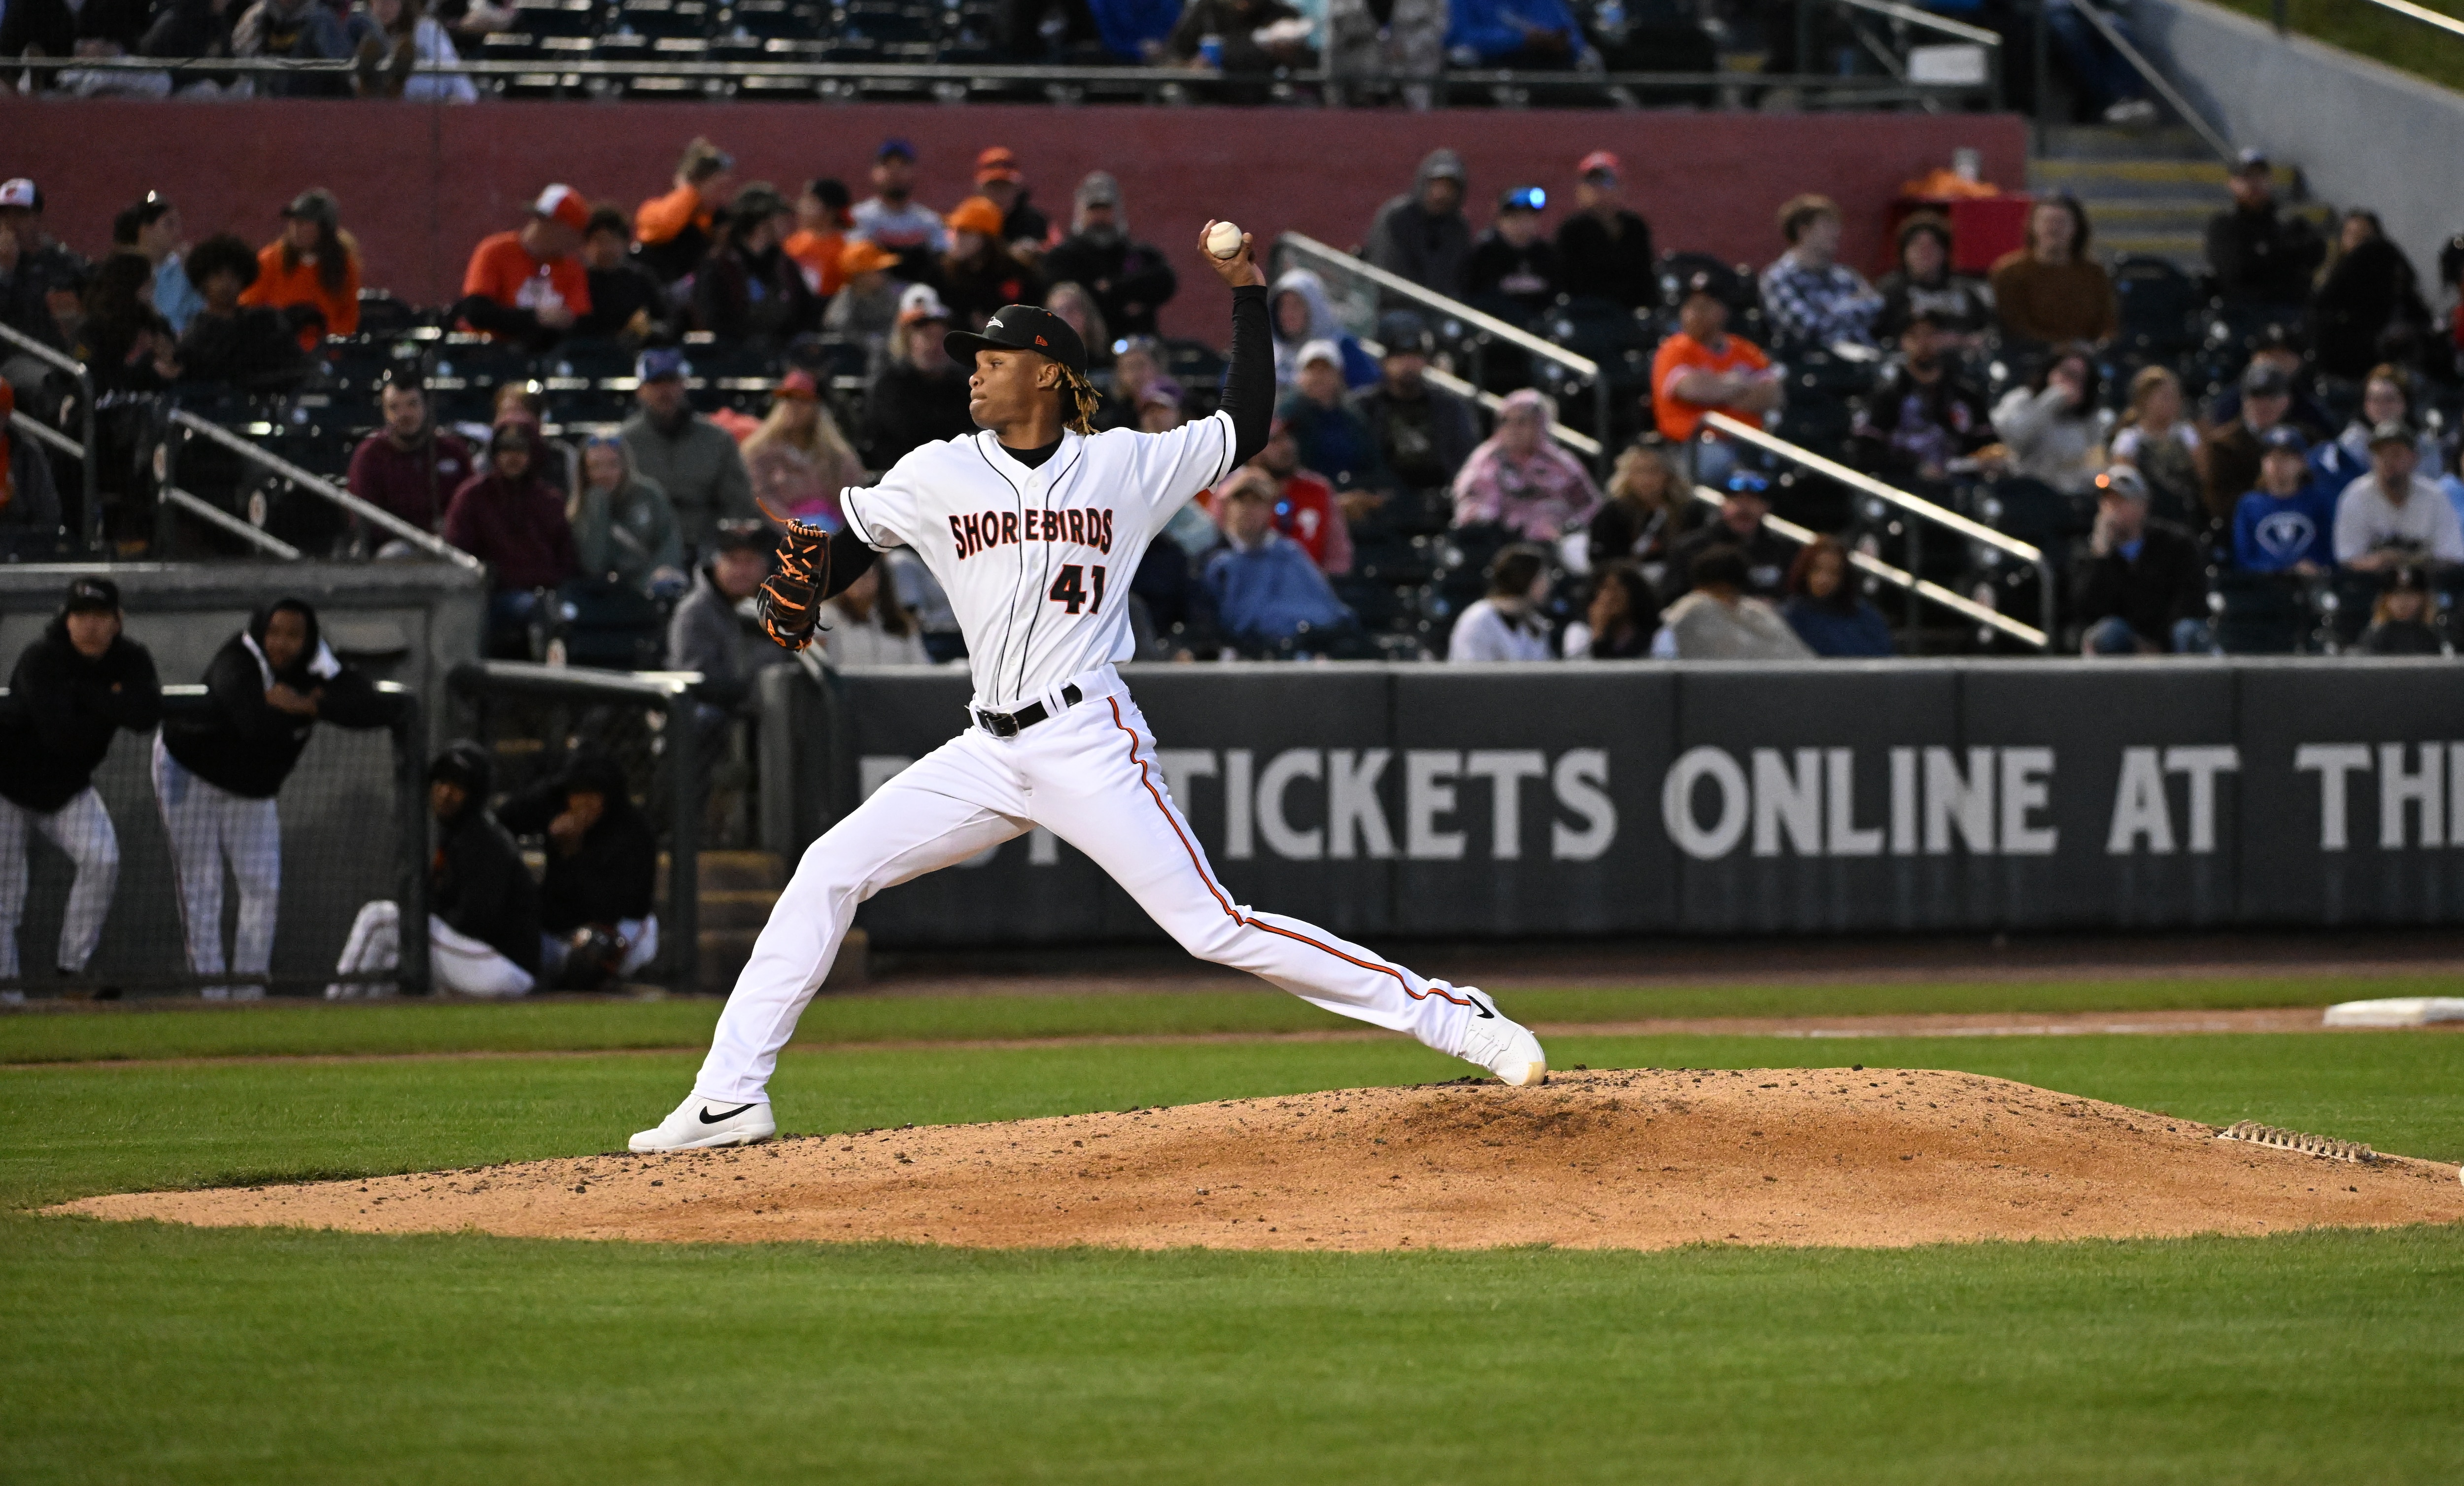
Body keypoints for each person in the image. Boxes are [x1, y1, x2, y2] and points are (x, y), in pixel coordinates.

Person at [627, 229, 1547, 1152]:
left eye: (993, 360)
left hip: (1087, 738)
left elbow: (1245, 425)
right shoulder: (938, 469)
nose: (975, 375)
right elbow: (846, 551)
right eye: (973, 362)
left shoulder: (1124, 466)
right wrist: (799, 583)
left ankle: (1452, 1015)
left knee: (1212, 926)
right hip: (987, 750)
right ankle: (729, 1096)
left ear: (1047, 372)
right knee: (829, 869)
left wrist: (1249, 298)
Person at [152, 598, 396, 999]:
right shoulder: (238, 658)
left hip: (250, 787)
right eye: (275, 632)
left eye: (294, 635)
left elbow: (367, 702)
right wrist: (318, 707)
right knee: (203, 886)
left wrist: (306, 703)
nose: (282, 643)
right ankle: (208, 996)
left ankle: (249, 994)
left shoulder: (318, 662)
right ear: (261, 631)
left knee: (262, 886)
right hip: (190, 773)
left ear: (308, 638)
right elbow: (255, 722)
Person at [0, 578, 160, 993]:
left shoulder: (130, 657)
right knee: (4, 897)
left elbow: (146, 715)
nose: (90, 626)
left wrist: (83, 694)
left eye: (100, 616)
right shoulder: (41, 657)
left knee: (102, 858)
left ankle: (73, 971)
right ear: (66, 620)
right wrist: (110, 698)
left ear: (117, 621)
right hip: (7, 785)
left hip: (67, 787)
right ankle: (8, 995)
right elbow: (62, 734)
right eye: (81, 616)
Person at [329, 742, 542, 999]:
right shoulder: (458, 836)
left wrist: (426, 931)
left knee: (380, 919)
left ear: (475, 794)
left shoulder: (485, 840)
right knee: (391, 961)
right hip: (478, 960)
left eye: (457, 786)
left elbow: (476, 920)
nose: (444, 793)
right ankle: (355, 1029)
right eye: (440, 783)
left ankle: (332, 1006)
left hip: (502, 967)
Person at [496, 751, 660, 989]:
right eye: (576, 793)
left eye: (593, 793)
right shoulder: (555, 806)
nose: (583, 802)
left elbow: (617, 907)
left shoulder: (634, 832)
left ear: (608, 796)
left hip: (621, 924)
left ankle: (600, 976)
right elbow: (503, 820)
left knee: (596, 949)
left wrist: (572, 854)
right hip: (565, 927)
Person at [445, 421, 580, 653]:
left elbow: (566, 558)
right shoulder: (472, 497)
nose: (512, 458)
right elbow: (456, 553)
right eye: (505, 450)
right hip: (491, 598)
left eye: (519, 450)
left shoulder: (550, 500)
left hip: (545, 593)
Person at [668, 520, 793, 755]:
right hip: (721, 726)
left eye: (750, 561)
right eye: (733, 561)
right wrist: (749, 692)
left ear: (766, 565)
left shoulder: (781, 608)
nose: (742, 571)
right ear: (716, 564)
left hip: (775, 717)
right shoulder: (694, 612)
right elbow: (696, 677)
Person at [621, 346, 756, 554]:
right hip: (644, 545)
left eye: (671, 381)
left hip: (706, 544)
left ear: (684, 385)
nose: (664, 391)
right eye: (656, 383)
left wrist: (726, 540)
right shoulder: (624, 442)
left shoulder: (717, 439)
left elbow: (738, 503)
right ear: (641, 390)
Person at [1205, 469, 1357, 646]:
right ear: (1228, 507)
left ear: (1270, 509)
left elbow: (1326, 609)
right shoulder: (1212, 560)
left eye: (1257, 502)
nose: (1248, 510)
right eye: (1241, 501)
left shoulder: (1289, 553)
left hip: (1301, 646)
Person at [1649, 273, 1782, 472]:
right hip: (1693, 446)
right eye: (1691, 307)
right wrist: (1740, 385)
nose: (1696, 314)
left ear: (1722, 311)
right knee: (1722, 463)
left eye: (1705, 307)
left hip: (1749, 442)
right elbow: (1692, 390)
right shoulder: (1674, 349)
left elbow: (1773, 396)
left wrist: (1716, 392)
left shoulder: (1745, 350)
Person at [2076, 467, 2208, 656]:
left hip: (2168, 639)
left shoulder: (2176, 544)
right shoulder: (2091, 553)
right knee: (2109, 633)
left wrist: (2158, 644)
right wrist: (2101, 556)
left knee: (2189, 631)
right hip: (2126, 640)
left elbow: (2190, 600)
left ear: (2142, 505)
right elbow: (2086, 610)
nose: (2112, 509)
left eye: (2120, 501)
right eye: (2107, 501)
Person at [1853, 311, 1994, 485]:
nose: (1924, 342)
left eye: (1931, 334)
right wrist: (1914, 468)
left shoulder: (1967, 395)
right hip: (1907, 489)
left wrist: (1989, 459)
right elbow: (1867, 452)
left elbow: (1987, 445)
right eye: (1914, 335)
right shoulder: (1888, 396)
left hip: (1961, 489)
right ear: (1903, 342)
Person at [1352, 310, 1479, 500]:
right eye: (1400, 357)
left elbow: (1465, 461)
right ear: (1384, 361)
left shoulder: (1449, 407)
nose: (1408, 365)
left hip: (1440, 501)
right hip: (1380, 504)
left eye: (1415, 356)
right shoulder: (1363, 407)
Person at [1450, 388, 1600, 542]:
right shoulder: (1486, 460)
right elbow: (1474, 505)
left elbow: (1590, 507)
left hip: (1559, 541)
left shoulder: (1561, 463)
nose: (1513, 429)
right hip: (1502, 542)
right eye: (1506, 421)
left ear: (1540, 424)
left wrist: (1568, 528)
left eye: (1522, 422)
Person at [1041, 172, 1176, 340]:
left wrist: (1112, 288)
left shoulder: (1139, 254)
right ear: (1080, 212)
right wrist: (1129, 296)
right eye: (1093, 209)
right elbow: (1068, 297)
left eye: (1106, 209)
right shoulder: (1062, 257)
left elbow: (1166, 280)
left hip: (1135, 349)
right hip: (1087, 350)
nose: (1100, 216)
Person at [456, 184, 591, 349]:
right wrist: (537, 318)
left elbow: (579, 319)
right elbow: (477, 312)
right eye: (574, 233)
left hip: (544, 359)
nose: (576, 243)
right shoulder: (495, 251)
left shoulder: (571, 268)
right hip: (488, 355)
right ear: (554, 225)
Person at [173, 232, 308, 391]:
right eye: (218, 276)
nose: (226, 284)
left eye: (233, 276)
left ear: (244, 281)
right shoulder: (195, 336)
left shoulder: (266, 323)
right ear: (203, 281)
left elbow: (297, 370)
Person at [348, 370, 474, 537]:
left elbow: (475, 506)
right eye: (394, 407)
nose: (404, 414)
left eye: (412, 404)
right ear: (385, 412)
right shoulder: (370, 455)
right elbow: (363, 517)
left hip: (452, 544)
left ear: (426, 406)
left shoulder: (453, 450)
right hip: (395, 546)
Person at [2310, 210, 2431, 383]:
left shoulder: (2390, 276)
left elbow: (2418, 314)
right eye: (2351, 234)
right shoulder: (2328, 279)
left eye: (2364, 237)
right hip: (2343, 361)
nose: (2358, 242)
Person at [693, 181, 819, 346]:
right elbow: (715, 320)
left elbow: (807, 314)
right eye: (780, 217)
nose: (787, 223)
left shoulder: (785, 265)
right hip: (733, 362)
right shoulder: (720, 267)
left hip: (782, 358)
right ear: (761, 222)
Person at [860, 292, 976, 469]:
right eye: (927, 337)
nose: (935, 346)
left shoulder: (964, 385)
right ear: (908, 341)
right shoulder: (890, 386)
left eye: (942, 338)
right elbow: (896, 439)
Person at [2333, 420, 2464, 572]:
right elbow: (2347, 559)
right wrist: (2381, 562)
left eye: (2396, 454)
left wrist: (2407, 562)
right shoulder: (2355, 495)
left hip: (2425, 587)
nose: (2388, 461)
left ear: (2414, 458)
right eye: (2381, 454)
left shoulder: (2435, 496)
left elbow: (2452, 557)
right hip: (2372, 585)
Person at [741, 369, 863, 530]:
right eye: (788, 399)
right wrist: (795, 529)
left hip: (831, 539)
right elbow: (759, 497)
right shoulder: (759, 453)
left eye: (803, 400)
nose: (794, 407)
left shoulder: (838, 457)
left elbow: (854, 498)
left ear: (817, 407)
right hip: (779, 539)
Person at [2205, 148, 2322, 319]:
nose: (2255, 183)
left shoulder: (2290, 223)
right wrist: (2284, 256)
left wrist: (2268, 255)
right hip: (2246, 314)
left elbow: (2315, 253)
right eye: (2247, 177)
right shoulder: (2224, 226)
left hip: (2291, 310)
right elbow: (2236, 271)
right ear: (2232, 183)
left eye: (2260, 176)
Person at [239, 188, 360, 351]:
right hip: (278, 353)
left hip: (325, 356)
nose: (295, 228)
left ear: (325, 229)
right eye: (293, 221)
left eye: (304, 223)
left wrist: (326, 344)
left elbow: (348, 320)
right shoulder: (270, 260)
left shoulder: (345, 268)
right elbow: (247, 308)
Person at [1759, 194, 1884, 350]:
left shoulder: (1845, 276)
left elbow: (1878, 308)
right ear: (1803, 231)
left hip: (1867, 360)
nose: (1837, 233)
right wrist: (1852, 304)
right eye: (1827, 225)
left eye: (1837, 226)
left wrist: (1826, 311)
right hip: (1813, 367)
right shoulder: (1778, 278)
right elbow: (1808, 328)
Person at [1989, 196, 2116, 348]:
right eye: (2047, 222)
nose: (2054, 229)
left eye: (2061, 222)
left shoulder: (2094, 273)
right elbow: (2014, 326)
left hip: (2085, 355)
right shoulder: (2009, 273)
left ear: (2076, 228)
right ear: (2033, 226)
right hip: (2028, 354)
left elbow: (2107, 324)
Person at [1650, 545, 1813, 660]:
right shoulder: (1693, 608)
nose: (1728, 601)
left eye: (1731, 594)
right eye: (1720, 592)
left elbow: (1798, 659)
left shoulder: (1756, 612)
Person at [571, 434, 684, 599]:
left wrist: (654, 576)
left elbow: (670, 540)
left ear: (625, 465)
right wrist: (598, 506)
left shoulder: (649, 494)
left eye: (613, 465)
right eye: (595, 466)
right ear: (584, 471)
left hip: (650, 583)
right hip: (602, 591)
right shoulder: (581, 507)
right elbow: (593, 564)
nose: (604, 474)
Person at [1662, 471, 1797, 603]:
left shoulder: (1781, 550)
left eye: (1753, 501)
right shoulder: (1691, 548)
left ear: (1766, 507)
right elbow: (1671, 599)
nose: (1744, 508)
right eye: (1736, 500)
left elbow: (1789, 598)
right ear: (1723, 504)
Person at [1990, 343, 2107, 496]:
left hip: (2067, 497)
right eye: (2066, 373)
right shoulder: (2022, 399)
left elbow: (2097, 465)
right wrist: (2052, 400)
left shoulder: (2090, 421)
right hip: (2020, 487)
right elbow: (2013, 440)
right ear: (2051, 371)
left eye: (2078, 379)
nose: (2069, 383)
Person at [1277, 341, 1388, 501]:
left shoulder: (1354, 416)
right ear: (1300, 377)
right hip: (1306, 499)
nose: (1319, 377)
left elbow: (1372, 461)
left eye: (1325, 370)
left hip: (1357, 498)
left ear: (1340, 374)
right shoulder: (1289, 417)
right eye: (1312, 370)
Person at [2308, 364, 2440, 497]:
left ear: (2405, 402)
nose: (2382, 406)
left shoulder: (2424, 442)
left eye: (2389, 399)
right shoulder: (2352, 440)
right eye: (2374, 399)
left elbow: (2432, 485)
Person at [1362, 149, 1472, 300]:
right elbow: (1385, 273)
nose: (1441, 194)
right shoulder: (1397, 217)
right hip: (1392, 307)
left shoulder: (1458, 227)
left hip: (1444, 311)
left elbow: (1459, 278)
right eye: (1436, 185)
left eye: (1449, 188)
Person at [1248, 419, 1354, 574]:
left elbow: (1339, 554)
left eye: (1287, 437)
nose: (1286, 446)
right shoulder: (1236, 493)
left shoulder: (1319, 488)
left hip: (1311, 589)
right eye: (1274, 441)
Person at [2202, 361, 2296, 528]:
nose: (2263, 405)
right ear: (2244, 400)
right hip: (2243, 530)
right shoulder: (2224, 445)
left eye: (2271, 397)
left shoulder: (2302, 440)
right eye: (2256, 397)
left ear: (2286, 401)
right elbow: (2219, 505)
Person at [1554, 151, 1654, 310]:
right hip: (1584, 314)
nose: (1599, 189)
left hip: (1628, 314)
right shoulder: (1572, 229)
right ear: (1580, 190)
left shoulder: (1635, 227)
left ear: (1621, 188)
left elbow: (1645, 278)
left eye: (1606, 182)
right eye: (1592, 182)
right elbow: (1565, 281)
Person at [1874, 213, 1992, 345]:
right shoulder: (1891, 290)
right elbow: (1879, 335)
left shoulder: (1964, 290)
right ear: (1904, 252)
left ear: (1945, 253)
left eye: (1932, 246)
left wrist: (1963, 341)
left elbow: (1988, 330)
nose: (1924, 253)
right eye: (1916, 246)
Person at [2230, 426, 2334, 576]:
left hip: (2311, 586)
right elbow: (2243, 558)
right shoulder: (2249, 504)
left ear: (2302, 463)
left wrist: (2315, 568)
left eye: (2286, 457)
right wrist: (2281, 572)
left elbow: (2329, 552)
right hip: (2263, 589)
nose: (2277, 465)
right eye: (2271, 457)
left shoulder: (2319, 502)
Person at [1583, 442, 1695, 578]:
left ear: (1668, 475)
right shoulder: (1613, 513)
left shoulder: (1687, 510)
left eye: (1653, 471)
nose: (1646, 480)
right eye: (1639, 471)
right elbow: (1603, 559)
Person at [634, 137, 735, 286]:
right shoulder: (652, 210)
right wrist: (688, 192)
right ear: (696, 183)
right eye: (719, 187)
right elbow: (663, 227)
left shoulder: (717, 220)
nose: (724, 195)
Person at [2108, 366, 2202, 523]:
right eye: (2165, 397)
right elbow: (2126, 489)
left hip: (2186, 515)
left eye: (2175, 396)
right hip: (2149, 519)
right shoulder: (2129, 441)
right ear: (2144, 401)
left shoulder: (2187, 434)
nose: (2172, 402)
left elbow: (2204, 478)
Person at [937, 196, 1043, 331]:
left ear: (985, 239)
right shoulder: (944, 274)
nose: (957, 239)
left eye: (965, 232)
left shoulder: (1018, 275)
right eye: (956, 231)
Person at [850, 138, 947, 282]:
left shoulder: (929, 221)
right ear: (874, 172)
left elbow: (943, 259)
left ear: (913, 172)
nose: (895, 172)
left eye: (902, 166)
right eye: (888, 166)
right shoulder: (859, 218)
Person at [1780, 537, 1893, 657]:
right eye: (1817, 569)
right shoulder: (1789, 616)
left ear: (1844, 577)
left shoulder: (1865, 617)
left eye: (1833, 572)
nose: (1824, 579)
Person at [1268, 267, 1377, 391]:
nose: (1288, 314)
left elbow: (1368, 389)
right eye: (1283, 306)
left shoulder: (1342, 346)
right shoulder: (1270, 352)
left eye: (1296, 305)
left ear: (1315, 307)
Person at [574, 206, 671, 344]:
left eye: (612, 240)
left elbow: (665, 320)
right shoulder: (579, 280)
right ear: (585, 246)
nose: (606, 249)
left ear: (626, 243)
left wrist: (647, 329)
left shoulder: (641, 279)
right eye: (599, 241)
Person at [1446, 544, 1555, 662]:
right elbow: (1470, 672)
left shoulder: (1535, 623)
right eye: (1542, 578)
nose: (1548, 585)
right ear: (1524, 578)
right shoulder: (1480, 619)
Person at [1467, 186, 1560, 322]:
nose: (1523, 226)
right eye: (1515, 218)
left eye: (1529, 218)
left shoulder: (1546, 255)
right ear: (1500, 221)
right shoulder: (1484, 254)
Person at [358, 0, 479, 103]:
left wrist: (465, 98)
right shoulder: (364, 34)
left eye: (389, 2)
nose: (382, 8)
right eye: (377, 2)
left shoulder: (426, 29)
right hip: (379, 108)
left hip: (425, 106)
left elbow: (451, 67)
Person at [814, 563, 930, 669]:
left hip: (896, 691)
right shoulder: (823, 619)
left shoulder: (901, 622)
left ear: (880, 577)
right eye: (851, 572)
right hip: (847, 690)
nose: (859, 579)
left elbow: (923, 670)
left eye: (866, 573)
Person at [117, 190, 202, 335]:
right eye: (169, 224)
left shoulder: (184, 268)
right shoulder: (125, 273)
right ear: (145, 231)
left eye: (178, 225)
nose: (177, 232)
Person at [231, 0, 354, 95]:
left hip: (308, 87)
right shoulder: (258, 17)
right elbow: (243, 60)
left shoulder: (317, 16)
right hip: (273, 87)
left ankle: (360, 81)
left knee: (358, 20)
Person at [0, 377, 64, 558]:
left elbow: (48, 515)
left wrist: (27, 552)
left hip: (16, 548)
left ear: (6, 417)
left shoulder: (25, 453)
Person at [1165, 0, 1313, 72]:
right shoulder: (1206, 10)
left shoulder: (1282, 15)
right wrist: (1194, 67)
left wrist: (1288, 54)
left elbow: (1309, 67)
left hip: (1268, 103)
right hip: (1208, 101)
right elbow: (1172, 57)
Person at [821, 238, 905, 355]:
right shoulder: (844, 305)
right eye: (878, 271)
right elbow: (840, 331)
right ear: (859, 276)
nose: (885, 274)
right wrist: (871, 342)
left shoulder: (889, 293)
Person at [1444, 0, 1587, 68]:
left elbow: (1570, 35)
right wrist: (1520, 39)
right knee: (1461, 56)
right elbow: (1459, 36)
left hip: (1542, 62)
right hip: (1488, 64)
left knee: (1586, 60)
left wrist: (1557, 41)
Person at [1562, 562, 1655, 659]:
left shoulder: (1655, 636)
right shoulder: (1580, 631)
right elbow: (1578, 671)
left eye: (1616, 590)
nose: (1608, 598)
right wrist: (1598, 635)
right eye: (1603, 589)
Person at [970, 147, 1051, 254]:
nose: (999, 193)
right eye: (993, 186)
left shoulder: (1037, 221)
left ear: (1017, 188)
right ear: (980, 189)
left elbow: (1055, 254)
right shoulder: (968, 221)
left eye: (1005, 187)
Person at [783, 177, 853, 300]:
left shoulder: (847, 249)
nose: (800, 208)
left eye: (811, 203)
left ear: (831, 211)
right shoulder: (792, 243)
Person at [2356, 567, 2445, 656]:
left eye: (2411, 594)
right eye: (2396, 594)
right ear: (2385, 600)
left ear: (2424, 599)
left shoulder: (2434, 633)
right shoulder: (2375, 633)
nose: (2403, 602)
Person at [1044, 282, 1110, 371]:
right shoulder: (1045, 368)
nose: (1065, 316)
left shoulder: (1108, 363)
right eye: (1058, 311)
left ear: (1087, 313)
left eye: (1072, 308)